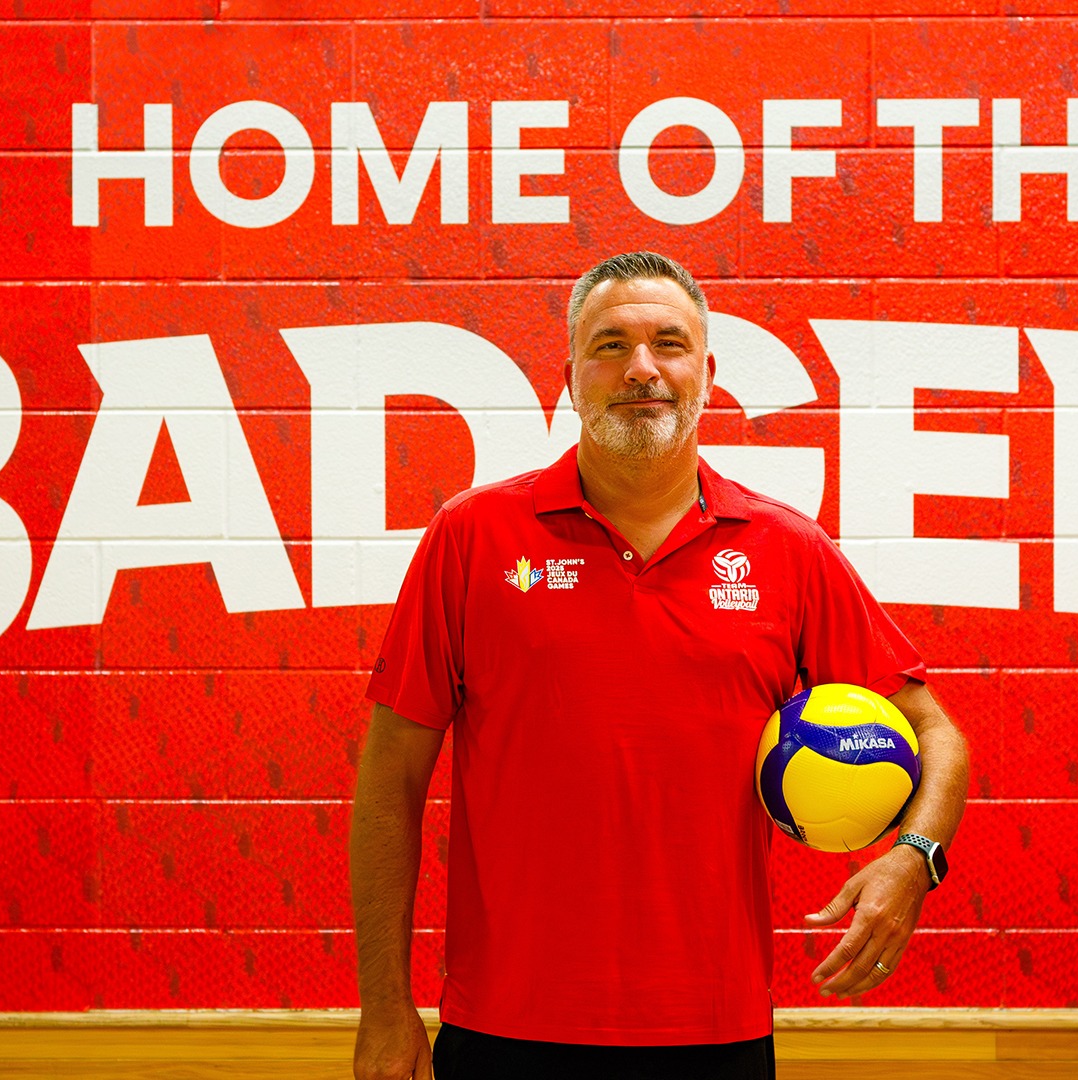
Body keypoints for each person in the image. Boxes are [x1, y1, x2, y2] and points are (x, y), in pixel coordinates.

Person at [351, 251, 970, 1080]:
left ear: (705, 373)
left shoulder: (785, 550)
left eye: (667, 343)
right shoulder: (472, 538)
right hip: (506, 1025)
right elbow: (391, 774)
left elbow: (937, 733)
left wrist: (915, 856)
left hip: (713, 1030)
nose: (642, 368)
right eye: (610, 345)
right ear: (570, 376)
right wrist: (384, 1006)